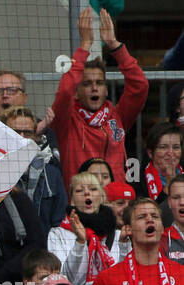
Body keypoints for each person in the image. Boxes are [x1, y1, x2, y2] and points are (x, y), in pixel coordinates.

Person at [51, 7, 147, 186]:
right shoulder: (66, 121)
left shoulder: (117, 117)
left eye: (99, 83)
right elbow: (64, 92)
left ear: (106, 90)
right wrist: (84, 46)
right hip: (79, 205)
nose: (94, 88)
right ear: (77, 91)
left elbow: (140, 86)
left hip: (114, 205)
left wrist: (114, 46)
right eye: (87, 84)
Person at [85, 199, 184, 285]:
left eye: (155, 217)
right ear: (128, 229)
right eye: (141, 217)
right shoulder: (108, 278)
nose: (150, 220)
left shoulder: (181, 273)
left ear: (162, 228)